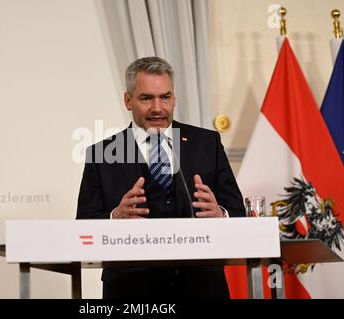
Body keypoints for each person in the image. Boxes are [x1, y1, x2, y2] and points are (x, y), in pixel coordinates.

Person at [76, 56, 245, 299]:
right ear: (128, 100)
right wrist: (115, 217)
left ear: (174, 98)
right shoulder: (102, 154)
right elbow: (83, 228)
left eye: (165, 97)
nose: (157, 108)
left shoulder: (206, 143)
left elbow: (238, 212)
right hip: (131, 290)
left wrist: (221, 215)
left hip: (202, 287)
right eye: (146, 98)